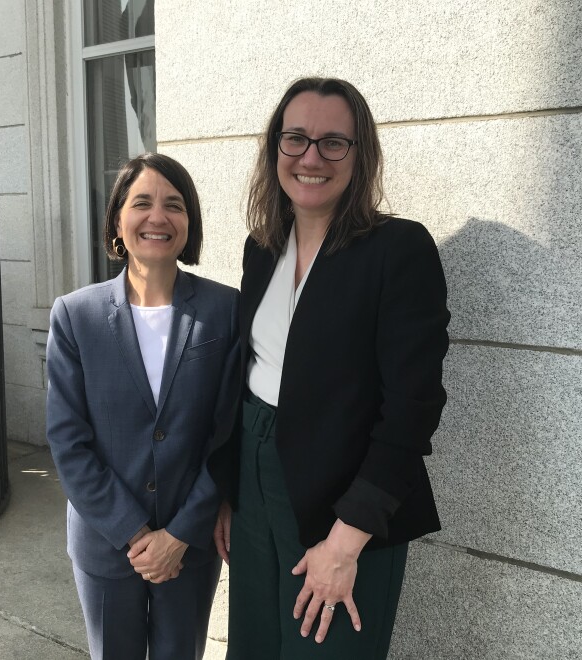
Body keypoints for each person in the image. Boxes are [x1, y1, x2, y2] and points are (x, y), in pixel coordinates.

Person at [210, 77, 450, 659]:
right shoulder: (262, 247)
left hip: (346, 503)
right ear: (275, 150)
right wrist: (230, 493)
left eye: (332, 142)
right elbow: (250, 373)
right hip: (254, 480)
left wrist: (345, 544)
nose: (311, 157)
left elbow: (412, 410)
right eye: (295, 139)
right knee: (255, 648)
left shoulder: (399, 250)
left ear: (358, 154)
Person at [46, 153, 239, 660]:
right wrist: (136, 533)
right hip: (107, 545)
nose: (158, 217)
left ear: (189, 222)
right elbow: (68, 440)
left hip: (190, 545)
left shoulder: (226, 309)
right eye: (142, 203)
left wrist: (177, 535)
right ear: (117, 220)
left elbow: (229, 433)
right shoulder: (75, 315)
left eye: (174, 205)